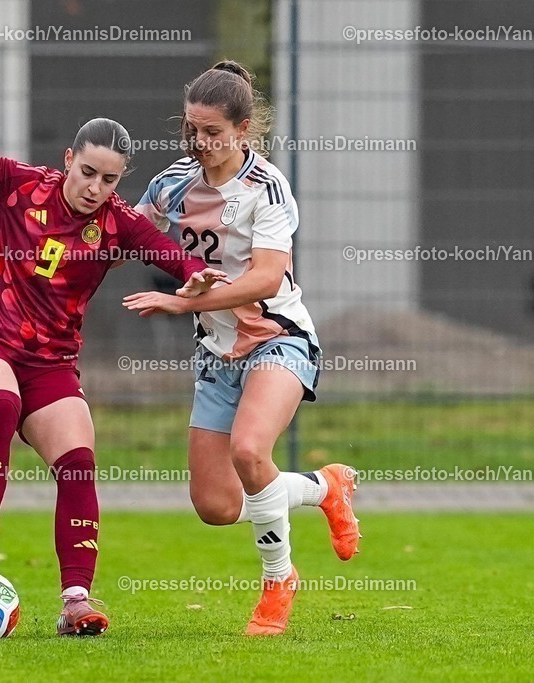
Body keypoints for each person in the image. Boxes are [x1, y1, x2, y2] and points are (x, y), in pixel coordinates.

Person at [0, 44, 227, 637]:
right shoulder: (19, 186)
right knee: (1, 401)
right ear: (68, 159)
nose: (94, 187)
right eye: (87, 171)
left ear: (121, 182)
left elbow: (171, 257)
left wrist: (198, 279)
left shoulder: (119, 221)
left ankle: (75, 603)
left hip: (52, 365)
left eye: (109, 179)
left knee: (79, 464)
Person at [123, 60, 361, 636]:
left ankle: (278, 582)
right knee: (217, 507)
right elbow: (128, 229)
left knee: (251, 452)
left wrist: (185, 302)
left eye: (212, 132)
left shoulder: (267, 187)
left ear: (243, 130)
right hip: (216, 352)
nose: (200, 143)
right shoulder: (174, 182)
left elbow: (267, 278)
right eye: (191, 130)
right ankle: (326, 487)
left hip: (278, 338)